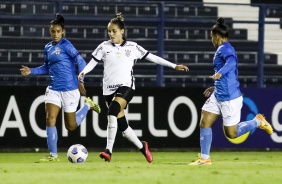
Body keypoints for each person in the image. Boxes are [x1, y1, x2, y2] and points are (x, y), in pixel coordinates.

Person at [78, 13, 189, 163]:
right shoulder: (103, 47)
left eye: (114, 31)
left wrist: (174, 65)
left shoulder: (133, 47)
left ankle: (108, 150)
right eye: (109, 31)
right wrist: (82, 73)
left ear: (122, 31)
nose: (111, 34)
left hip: (126, 86)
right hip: (108, 90)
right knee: (122, 126)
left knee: (112, 111)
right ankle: (142, 147)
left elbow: (152, 57)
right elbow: (92, 63)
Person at [189, 17, 273, 166]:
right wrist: (216, 85)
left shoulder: (226, 49)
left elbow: (231, 63)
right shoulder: (221, 49)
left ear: (217, 36)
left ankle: (257, 122)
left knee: (232, 133)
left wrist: (220, 73)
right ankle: (205, 158)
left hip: (229, 98)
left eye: (211, 37)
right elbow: (229, 75)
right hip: (218, 94)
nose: (211, 40)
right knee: (204, 121)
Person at [20, 13, 101, 162]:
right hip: (53, 90)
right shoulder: (48, 47)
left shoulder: (67, 45)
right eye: (53, 31)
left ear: (62, 32)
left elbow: (80, 60)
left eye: (58, 31)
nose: (55, 34)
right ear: (50, 31)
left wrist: (81, 78)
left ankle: (87, 106)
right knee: (50, 118)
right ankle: (53, 155)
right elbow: (47, 67)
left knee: (70, 126)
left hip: (70, 90)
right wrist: (32, 71)